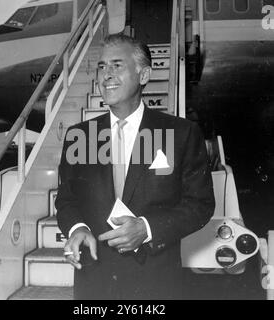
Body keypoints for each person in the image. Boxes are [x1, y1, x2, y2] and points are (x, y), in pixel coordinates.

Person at [55, 33, 215, 300]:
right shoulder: (79, 136)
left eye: (117, 65)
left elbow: (200, 205)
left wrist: (147, 228)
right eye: (102, 67)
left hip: (155, 285)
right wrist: (77, 229)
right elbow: (67, 199)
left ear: (143, 75)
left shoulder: (180, 133)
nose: (106, 75)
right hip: (94, 283)